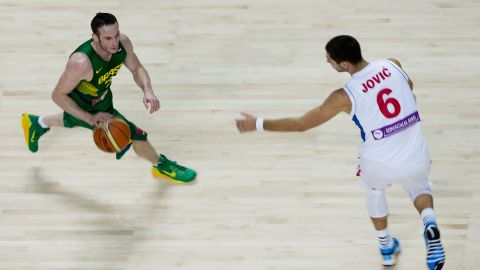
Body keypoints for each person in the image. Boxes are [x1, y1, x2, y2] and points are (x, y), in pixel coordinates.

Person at [236, 35, 445, 269]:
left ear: (344, 64)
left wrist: (258, 124)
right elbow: (410, 90)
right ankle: (429, 222)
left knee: (375, 190)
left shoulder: (343, 96)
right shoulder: (392, 64)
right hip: (413, 146)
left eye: (330, 60)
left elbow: (301, 124)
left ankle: (386, 248)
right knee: (419, 186)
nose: (328, 62)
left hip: (379, 158)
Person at [21, 12, 196, 183]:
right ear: (95, 38)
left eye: (116, 35)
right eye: (108, 38)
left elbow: (137, 68)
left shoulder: (123, 43)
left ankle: (37, 123)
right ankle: (161, 166)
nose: (114, 42)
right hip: (83, 107)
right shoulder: (80, 63)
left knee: (73, 121)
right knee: (135, 134)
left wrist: (147, 90)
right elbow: (57, 95)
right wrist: (89, 118)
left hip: (103, 100)